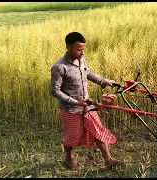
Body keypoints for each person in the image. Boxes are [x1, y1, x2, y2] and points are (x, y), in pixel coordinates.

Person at [50, 32, 124, 171]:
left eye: (83, 49)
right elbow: (55, 91)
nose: (82, 53)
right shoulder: (59, 67)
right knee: (73, 137)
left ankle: (108, 160)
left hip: (88, 105)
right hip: (71, 109)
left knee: (98, 130)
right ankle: (68, 156)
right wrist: (75, 102)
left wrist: (104, 81)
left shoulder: (81, 60)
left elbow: (88, 73)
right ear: (68, 47)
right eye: (78, 49)